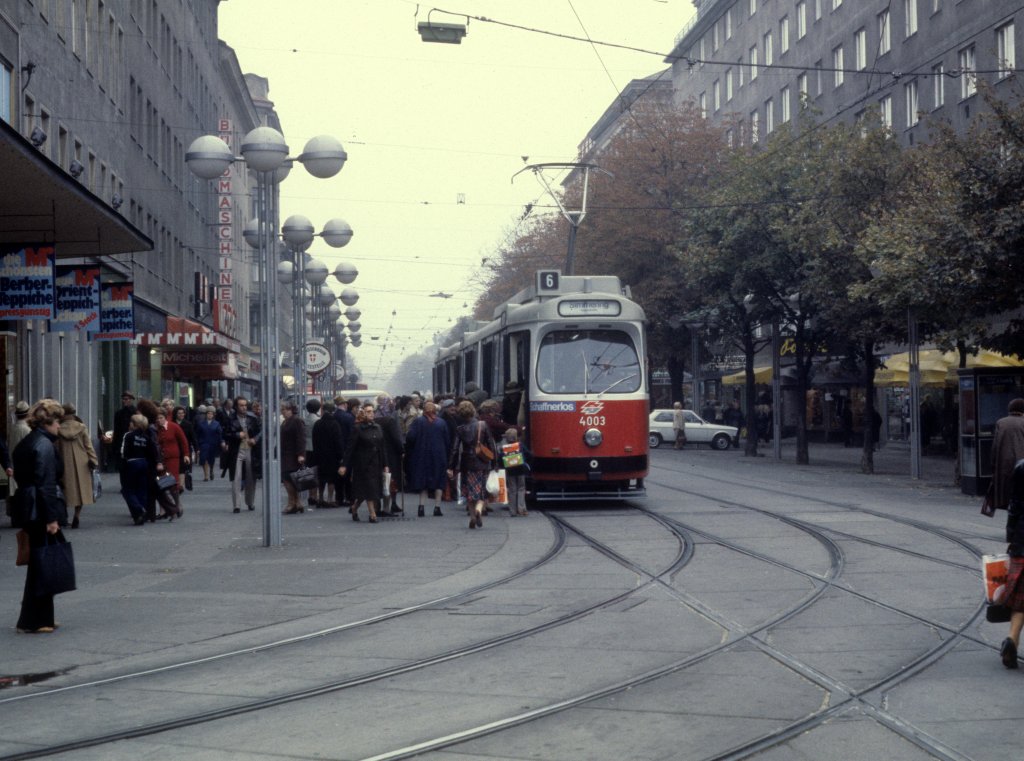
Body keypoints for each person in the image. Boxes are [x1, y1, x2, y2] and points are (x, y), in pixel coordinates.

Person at [11, 399, 68, 634]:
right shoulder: (44, 445)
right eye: (57, 422)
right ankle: (35, 620)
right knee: (42, 563)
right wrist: (51, 518)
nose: (59, 427)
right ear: (47, 423)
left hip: (28, 504)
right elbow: (46, 482)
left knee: (40, 562)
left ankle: (39, 617)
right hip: (39, 508)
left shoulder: (28, 441)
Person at [447, 400, 498, 529]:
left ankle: (472, 517)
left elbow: (454, 449)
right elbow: (491, 445)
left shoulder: (460, 429)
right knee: (481, 491)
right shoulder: (483, 425)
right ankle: (479, 509)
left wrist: (451, 467)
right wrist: (495, 463)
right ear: (473, 411)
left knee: (469, 492)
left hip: (466, 464)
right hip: (482, 463)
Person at [339, 403, 387, 523]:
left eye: (372, 411)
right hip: (362, 464)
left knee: (368, 490)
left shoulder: (378, 427)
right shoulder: (357, 428)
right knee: (369, 488)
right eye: (368, 411)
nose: (371, 413)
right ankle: (372, 514)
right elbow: (350, 448)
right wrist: (344, 465)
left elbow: (382, 447)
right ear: (362, 413)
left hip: (376, 462)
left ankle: (354, 508)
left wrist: (385, 464)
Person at [55, 402, 99, 530]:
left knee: (64, 490)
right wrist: (93, 460)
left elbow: (55, 447)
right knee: (80, 491)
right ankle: (77, 515)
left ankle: (64, 517)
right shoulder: (81, 427)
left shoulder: (58, 429)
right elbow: (88, 446)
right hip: (82, 463)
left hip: (64, 462)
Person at [405, 401, 451, 517]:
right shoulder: (441, 423)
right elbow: (447, 441)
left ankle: (421, 507)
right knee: (439, 481)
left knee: (423, 481)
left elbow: (410, 437)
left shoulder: (418, 421)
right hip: (439, 456)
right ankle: (437, 508)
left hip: (422, 455)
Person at [222, 396, 261, 513]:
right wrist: (237, 435)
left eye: (245, 405)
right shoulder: (230, 419)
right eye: (241, 405)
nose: (244, 407)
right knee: (236, 477)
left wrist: (255, 439)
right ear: (236, 406)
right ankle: (236, 505)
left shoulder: (253, 418)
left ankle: (250, 502)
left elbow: (261, 432)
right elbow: (225, 433)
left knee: (251, 477)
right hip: (236, 450)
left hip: (250, 450)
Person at [119, 414, 161, 525]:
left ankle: (138, 509)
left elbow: (123, 452)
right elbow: (152, 451)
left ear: (134, 424)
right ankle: (141, 513)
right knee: (141, 489)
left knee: (127, 490)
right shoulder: (146, 437)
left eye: (131, 422)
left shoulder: (128, 435)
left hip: (132, 463)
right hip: (144, 463)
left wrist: (123, 463)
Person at [154, 409, 189, 520]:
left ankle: (177, 505)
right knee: (161, 483)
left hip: (173, 458)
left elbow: (183, 441)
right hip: (160, 460)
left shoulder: (173, 427)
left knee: (172, 483)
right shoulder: (155, 429)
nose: (159, 420)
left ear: (165, 418)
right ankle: (167, 509)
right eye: (157, 418)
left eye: (161, 418)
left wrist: (186, 454)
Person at [991, 399, 1024, 511]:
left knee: (1008, 491)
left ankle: (1008, 506)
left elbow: (995, 447)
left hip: (1004, 465)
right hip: (1021, 465)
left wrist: (993, 465)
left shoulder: (1001, 423)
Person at [375, 394, 405, 516]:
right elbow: (396, 437)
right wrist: (402, 450)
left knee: (379, 479)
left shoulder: (374, 417)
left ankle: (377, 506)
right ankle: (389, 506)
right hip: (391, 453)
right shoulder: (390, 420)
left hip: (376, 453)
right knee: (391, 480)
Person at [312, 401, 345, 507]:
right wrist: (341, 456)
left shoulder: (317, 424)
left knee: (321, 478)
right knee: (331, 479)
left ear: (323, 410)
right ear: (333, 411)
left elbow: (314, 440)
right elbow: (338, 441)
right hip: (332, 456)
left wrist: (316, 454)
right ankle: (330, 499)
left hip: (320, 455)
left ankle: (320, 498)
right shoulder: (335, 424)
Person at [280, 401, 307, 514]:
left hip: (293, 454)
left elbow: (301, 438)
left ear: (290, 410)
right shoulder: (286, 422)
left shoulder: (296, 421)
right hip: (286, 454)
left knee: (288, 478)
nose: (282, 412)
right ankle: (297, 502)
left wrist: (301, 454)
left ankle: (292, 503)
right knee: (290, 478)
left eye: (284, 409)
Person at [7, 400, 32, 518]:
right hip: (24, 464)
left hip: (12, 462)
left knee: (14, 491)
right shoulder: (27, 430)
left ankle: (14, 515)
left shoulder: (13, 428)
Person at [501, 427, 528, 516]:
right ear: (516, 437)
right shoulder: (520, 445)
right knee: (521, 488)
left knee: (512, 490)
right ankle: (521, 509)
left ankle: (512, 511)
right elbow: (529, 454)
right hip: (520, 470)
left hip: (510, 471)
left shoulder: (505, 448)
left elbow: (501, 458)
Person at [303, 398, 323, 507]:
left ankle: (311, 495)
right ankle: (315, 495)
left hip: (306, 448)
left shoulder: (304, 420)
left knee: (309, 472)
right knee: (316, 473)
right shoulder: (318, 420)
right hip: (315, 448)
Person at [110, 391, 136, 472]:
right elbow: (117, 430)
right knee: (122, 468)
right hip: (121, 441)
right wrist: (114, 446)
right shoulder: (119, 413)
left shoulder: (135, 412)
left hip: (133, 441)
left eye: (127, 399)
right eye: (123, 399)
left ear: (131, 400)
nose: (125, 401)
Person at [195, 407, 223, 481]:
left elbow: (220, 434)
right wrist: (197, 445)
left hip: (213, 444)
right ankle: (206, 476)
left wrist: (221, 442)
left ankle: (211, 470)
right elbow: (197, 434)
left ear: (213, 415)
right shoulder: (201, 423)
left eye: (211, 414)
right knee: (204, 459)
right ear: (206, 414)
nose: (209, 415)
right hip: (203, 443)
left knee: (211, 459)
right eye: (208, 413)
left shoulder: (217, 423)